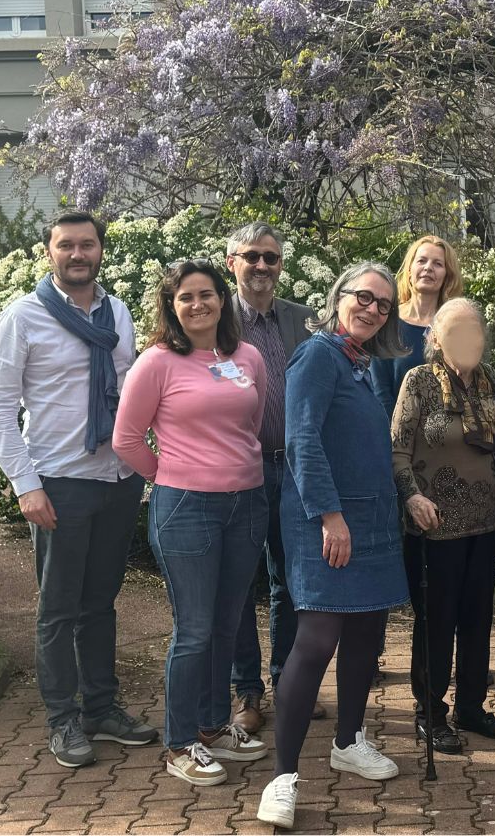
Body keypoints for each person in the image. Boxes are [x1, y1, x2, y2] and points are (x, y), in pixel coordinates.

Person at [0, 211, 159, 767]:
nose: (77, 254)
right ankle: (62, 719)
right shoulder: (24, 317)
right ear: (49, 253)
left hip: (117, 478)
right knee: (58, 609)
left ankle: (101, 710)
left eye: (87, 244)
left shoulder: (118, 312)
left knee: (101, 603)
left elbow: (133, 389)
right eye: (66, 246)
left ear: (100, 250)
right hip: (58, 481)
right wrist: (24, 485)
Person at [255, 262, 411, 829]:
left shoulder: (363, 363)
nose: (372, 309)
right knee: (316, 641)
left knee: (366, 635)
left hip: (370, 523)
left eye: (384, 304)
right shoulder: (318, 355)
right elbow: (301, 440)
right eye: (363, 298)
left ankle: (349, 742)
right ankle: (283, 776)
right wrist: (329, 516)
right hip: (329, 524)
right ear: (338, 298)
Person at [113, 261, 272, 785]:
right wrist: (174, 476)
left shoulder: (247, 357)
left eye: (207, 294)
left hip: (246, 504)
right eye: (186, 297)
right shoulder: (156, 362)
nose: (198, 304)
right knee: (195, 630)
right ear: (172, 307)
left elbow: (251, 424)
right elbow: (127, 439)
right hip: (186, 509)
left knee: (228, 625)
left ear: (223, 300)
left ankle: (210, 725)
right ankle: (179, 742)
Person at [389, 297, 495, 754]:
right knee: (437, 622)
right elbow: (398, 449)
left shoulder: (489, 382)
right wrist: (413, 496)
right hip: (434, 526)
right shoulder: (418, 381)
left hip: (484, 525)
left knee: (478, 620)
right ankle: (430, 713)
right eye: (455, 330)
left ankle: (471, 707)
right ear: (436, 338)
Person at [225, 222, 320, 735]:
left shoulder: (305, 322)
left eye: (271, 258)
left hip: (296, 468)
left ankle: (288, 682)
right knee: (241, 581)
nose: (262, 266)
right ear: (232, 264)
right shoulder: (215, 323)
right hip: (239, 470)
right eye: (252, 257)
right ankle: (247, 692)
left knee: (291, 581)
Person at [371, 234, 464, 417]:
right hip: (397, 432)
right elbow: (380, 388)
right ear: (409, 270)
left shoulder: (457, 324)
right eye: (421, 260)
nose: (428, 268)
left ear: (447, 275)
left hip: (450, 434)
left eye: (438, 264)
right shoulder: (387, 320)